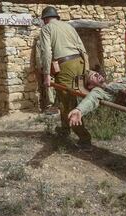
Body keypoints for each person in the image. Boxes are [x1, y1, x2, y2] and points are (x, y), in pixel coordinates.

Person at [39, 6, 92, 150]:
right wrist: (86, 69)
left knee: (68, 101)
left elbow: (46, 53)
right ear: (57, 17)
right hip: (79, 62)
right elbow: (82, 48)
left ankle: (85, 139)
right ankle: (64, 130)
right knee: (65, 98)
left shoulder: (46, 28)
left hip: (65, 66)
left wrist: (46, 75)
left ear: (45, 19)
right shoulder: (69, 27)